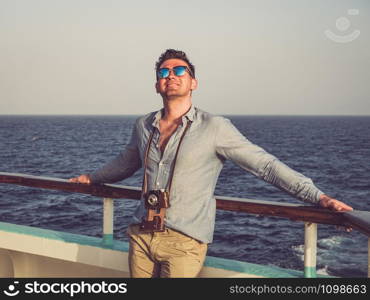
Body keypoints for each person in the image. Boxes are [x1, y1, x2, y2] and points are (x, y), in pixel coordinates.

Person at [69, 49, 353, 278]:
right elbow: (126, 162)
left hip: (184, 240)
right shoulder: (144, 125)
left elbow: (265, 166)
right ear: (157, 85)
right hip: (141, 235)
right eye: (164, 72)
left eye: (180, 70)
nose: (171, 75)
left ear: (193, 82)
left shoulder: (215, 127)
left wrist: (319, 197)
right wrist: (92, 178)